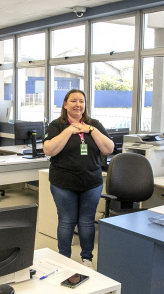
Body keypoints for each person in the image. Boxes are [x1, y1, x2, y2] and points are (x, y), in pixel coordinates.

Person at [42, 89, 114, 267]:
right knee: (67, 221)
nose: (78, 105)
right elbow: (49, 150)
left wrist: (90, 130)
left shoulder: (94, 124)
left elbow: (108, 148)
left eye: (81, 101)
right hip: (63, 184)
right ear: (65, 104)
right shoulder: (56, 126)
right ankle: (64, 258)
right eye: (73, 101)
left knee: (86, 221)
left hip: (91, 183)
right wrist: (70, 130)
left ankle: (87, 258)